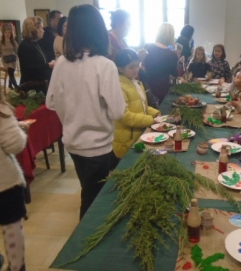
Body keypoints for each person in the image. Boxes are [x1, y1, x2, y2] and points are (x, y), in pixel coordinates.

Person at [45, 4, 126, 220]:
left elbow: (51, 102)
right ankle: (84, 246)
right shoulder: (104, 65)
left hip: (73, 142)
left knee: (89, 191)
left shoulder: (62, 62)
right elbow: (118, 111)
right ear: (97, 30)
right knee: (92, 203)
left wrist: (74, 109)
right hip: (97, 146)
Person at [112, 49, 160, 165]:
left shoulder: (135, 82)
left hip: (137, 134)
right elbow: (125, 116)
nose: (136, 70)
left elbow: (142, 106)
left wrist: (155, 113)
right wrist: (151, 120)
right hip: (126, 141)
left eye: (137, 66)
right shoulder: (119, 87)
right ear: (120, 68)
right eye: (131, 67)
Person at [0, 90, 29, 271]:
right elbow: (14, 143)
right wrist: (21, 130)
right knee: (11, 228)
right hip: (3, 183)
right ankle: (17, 267)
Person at [143, 22, 178, 103]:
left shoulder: (147, 46)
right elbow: (175, 74)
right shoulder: (172, 55)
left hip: (147, 86)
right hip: (162, 88)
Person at [18, 16, 55, 87]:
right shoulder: (25, 46)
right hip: (31, 86)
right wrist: (48, 65)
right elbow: (28, 69)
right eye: (41, 28)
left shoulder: (36, 43)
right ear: (34, 29)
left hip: (41, 83)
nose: (43, 30)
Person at [0, 23, 19, 90]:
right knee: (11, 73)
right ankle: (17, 87)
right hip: (6, 61)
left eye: (9, 32)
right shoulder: (1, 42)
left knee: (11, 73)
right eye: (6, 32)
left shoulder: (13, 42)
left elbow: (18, 49)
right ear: (4, 33)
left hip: (13, 60)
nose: (8, 34)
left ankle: (10, 86)